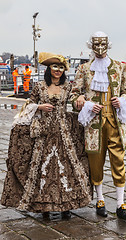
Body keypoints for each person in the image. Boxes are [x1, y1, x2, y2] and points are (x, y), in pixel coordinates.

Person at [1, 52, 92, 219]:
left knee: (67, 168)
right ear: (49, 69)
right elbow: (29, 105)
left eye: (60, 68)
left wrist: (80, 98)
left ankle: (66, 206)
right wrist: (39, 107)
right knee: (42, 168)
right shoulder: (39, 87)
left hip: (64, 133)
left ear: (64, 70)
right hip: (44, 133)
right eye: (54, 67)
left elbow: (74, 101)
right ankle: (44, 208)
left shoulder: (68, 87)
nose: (57, 70)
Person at [70, 31, 126, 219]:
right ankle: (100, 199)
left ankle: (121, 203)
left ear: (108, 45)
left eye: (102, 44)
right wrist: (83, 101)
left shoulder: (119, 67)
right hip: (94, 125)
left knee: (118, 161)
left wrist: (121, 101)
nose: (99, 48)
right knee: (95, 163)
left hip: (114, 122)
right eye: (96, 45)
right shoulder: (84, 69)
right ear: (91, 45)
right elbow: (74, 97)